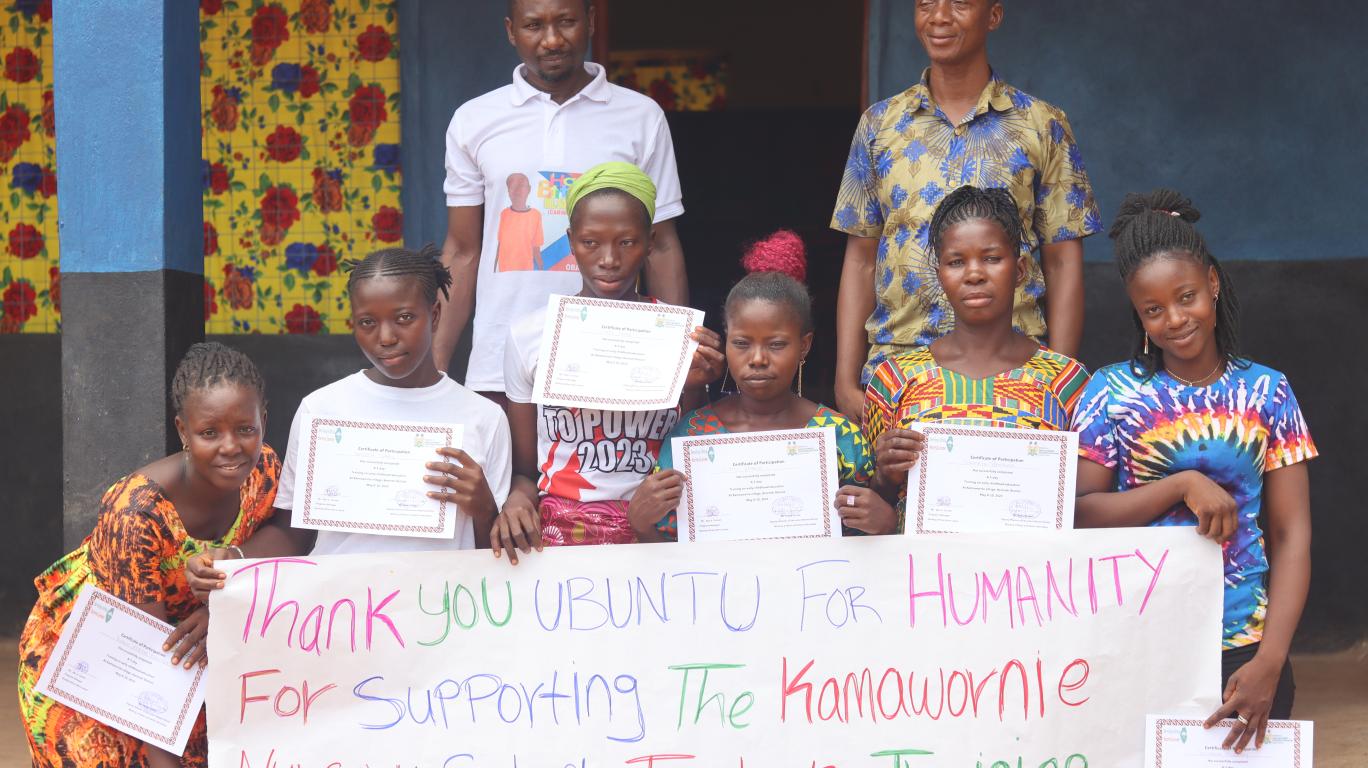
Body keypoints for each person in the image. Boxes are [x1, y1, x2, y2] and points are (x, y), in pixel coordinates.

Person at [1071, 190, 1315, 754]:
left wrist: (1271, 661)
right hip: (1138, 639)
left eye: (1185, 298)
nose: (1175, 320)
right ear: (1138, 314)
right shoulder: (1109, 392)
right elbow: (1081, 514)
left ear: (1212, 282)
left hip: (1245, 646)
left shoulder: (1268, 391)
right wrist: (1181, 485)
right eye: (1154, 310)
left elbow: (1291, 534)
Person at [831, 0, 1100, 421]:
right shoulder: (879, 125)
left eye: (959, 4)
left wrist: (1057, 382)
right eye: (925, 4)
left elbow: (1063, 262)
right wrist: (845, 383)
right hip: (896, 373)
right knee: (894, 485)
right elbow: (861, 258)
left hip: (1015, 377)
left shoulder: (1040, 124)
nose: (938, 17)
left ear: (993, 15)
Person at [186, 246, 511, 596]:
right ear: (353, 324)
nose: (386, 337)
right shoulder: (322, 409)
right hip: (340, 616)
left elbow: (493, 555)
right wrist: (232, 560)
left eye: (404, 318)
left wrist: (483, 507)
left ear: (433, 315)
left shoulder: (483, 418)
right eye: (368, 322)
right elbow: (294, 532)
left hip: (437, 611)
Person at [18, 342, 278, 768]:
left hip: (183, 658)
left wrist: (227, 587)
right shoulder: (136, 514)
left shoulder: (263, 471)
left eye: (245, 429)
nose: (231, 446)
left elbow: (291, 534)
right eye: (209, 432)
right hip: (101, 666)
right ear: (182, 430)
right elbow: (141, 662)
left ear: (263, 420)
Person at [435, 0, 689, 402]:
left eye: (566, 22)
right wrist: (436, 367)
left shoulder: (641, 116)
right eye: (534, 25)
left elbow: (661, 244)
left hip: (613, 356)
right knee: (512, 469)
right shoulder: (474, 120)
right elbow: (463, 251)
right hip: (500, 359)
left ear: (589, 21)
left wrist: (677, 360)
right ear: (511, 31)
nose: (552, 40)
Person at [492, 162, 723, 560]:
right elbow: (528, 470)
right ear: (570, 241)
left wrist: (698, 384)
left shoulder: (677, 334)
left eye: (627, 242)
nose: (609, 259)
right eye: (590, 242)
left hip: (658, 527)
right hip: (560, 533)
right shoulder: (531, 335)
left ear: (650, 242)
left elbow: (693, 453)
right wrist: (516, 498)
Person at [630, 230, 897, 541]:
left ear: (805, 346)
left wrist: (885, 523)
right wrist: (641, 523)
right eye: (741, 343)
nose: (757, 359)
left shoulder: (840, 436)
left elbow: (863, 542)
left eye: (776, 344)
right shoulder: (690, 436)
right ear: (726, 342)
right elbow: (667, 549)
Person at [864, 186, 1089, 523]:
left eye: (992, 258)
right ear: (940, 275)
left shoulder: (1066, 381)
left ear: (1020, 269)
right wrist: (884, 476)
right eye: (956, 262)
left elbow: (1085, 505)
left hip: (1028, 573)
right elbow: (874, 505)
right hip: (923, 573)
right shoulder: (894, 380)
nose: (974, 274)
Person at [496, 173, 544, 272]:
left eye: (521, 186)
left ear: (529, 189)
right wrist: (493, 268)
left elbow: (536, 248)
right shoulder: (504, 214)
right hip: (504, 272)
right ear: (508, 191)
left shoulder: (535, 215)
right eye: (513, 187)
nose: (517, 191)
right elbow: (499, 244)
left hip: (525, 272)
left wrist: (540, 268)